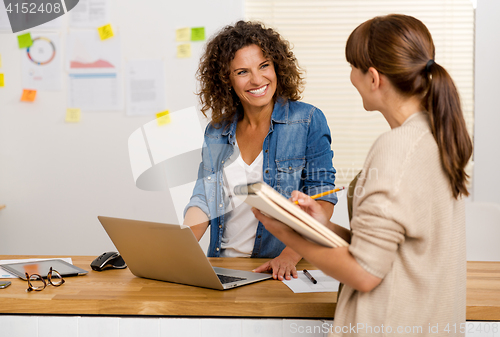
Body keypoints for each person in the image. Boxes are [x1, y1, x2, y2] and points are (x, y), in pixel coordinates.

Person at [253, 14, 472, 336]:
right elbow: (391, 249)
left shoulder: (397, 148)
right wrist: (321, 225)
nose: (351, 78)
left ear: (373, 77)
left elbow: (365, 273)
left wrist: (285, 231)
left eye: (353, 67)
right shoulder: (433, 136)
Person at [183, 21, 338, 281]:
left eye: (264, 66)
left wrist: (290, 254)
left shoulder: (308, 120)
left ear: (277, 66)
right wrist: (178, 248)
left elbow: (322, 197)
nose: (257, 80)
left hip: (280, 267)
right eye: (242, 72)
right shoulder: (217, 131)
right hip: (222, 267)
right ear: (226, 80)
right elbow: (204, 199)